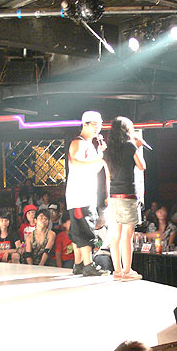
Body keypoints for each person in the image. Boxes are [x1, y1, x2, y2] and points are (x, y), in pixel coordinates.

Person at [66, 111, 111, 277]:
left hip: (87, 194)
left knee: (80, 229)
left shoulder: (90, 145)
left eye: (100, 125)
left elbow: (94, 168)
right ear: (85, 124)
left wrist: (100, 154)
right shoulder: (78, 142)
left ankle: (79, 264)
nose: (97, 129)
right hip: (80, 195)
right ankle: (88, 264)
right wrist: (98, 159)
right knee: (85, 228)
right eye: (94, 125)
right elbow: (75, 160)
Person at [105, 116, 146, 281]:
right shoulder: (130, 146)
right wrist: (138, 147)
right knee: (127, 236)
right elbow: (142, 166)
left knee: (115, 236)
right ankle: (127, 271)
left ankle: (117, 271)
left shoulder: (108, 150)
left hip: (113, 196)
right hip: (128, 195)